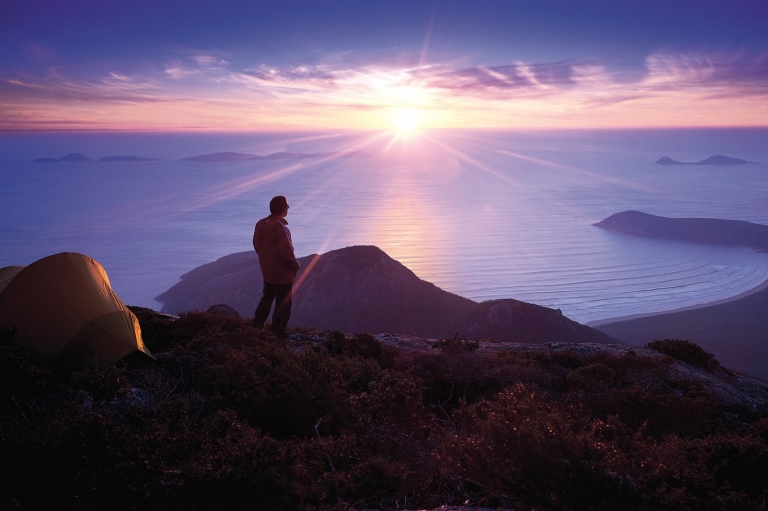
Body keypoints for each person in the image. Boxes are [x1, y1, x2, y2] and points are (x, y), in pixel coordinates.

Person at [252, 195, 300, 338]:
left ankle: (256, 326)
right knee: (283, 304)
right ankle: (277, 333)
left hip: (268, 270)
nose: (289, 208)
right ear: (283, 209)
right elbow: (286, 252)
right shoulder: (280, 227)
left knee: (267, 297)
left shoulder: (260, 223)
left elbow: (256, 245)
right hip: (282, 273)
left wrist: (266, 261)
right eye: (287, 206)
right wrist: (295, 266)